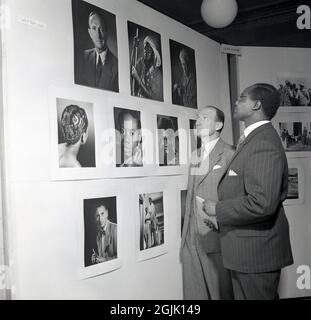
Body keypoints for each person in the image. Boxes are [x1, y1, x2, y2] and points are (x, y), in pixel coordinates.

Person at [204, 83, 293, 300]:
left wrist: (218, 209)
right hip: (248, 251)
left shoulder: (263, 142)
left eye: (242, 98)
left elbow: (262, 203)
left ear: (256, 105)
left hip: (256, 254)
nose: (236, 101)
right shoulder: (253, 139)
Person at [180, 106, 235, 300]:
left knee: (221, 292)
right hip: (191, 237)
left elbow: (235, 197)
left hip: (216, 236)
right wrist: (185, 233)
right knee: (194, 294)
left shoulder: (230, 154)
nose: (198, 121)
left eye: (205, 117)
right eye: (198, 118)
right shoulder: (195, 155)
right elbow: (191, 193)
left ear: (219, 124)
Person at [75, 11, 119, 92]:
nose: (98, 35)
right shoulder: (82, 57)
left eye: (101, 29)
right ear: (90, 32)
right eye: (94, 28)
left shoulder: (116, 65)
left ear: (106, 32)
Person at [131, 35, 163, 101]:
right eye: (145, 48)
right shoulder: (141, 63)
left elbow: (153, 96)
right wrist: (134, 48)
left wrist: (138, 79)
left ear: (153, 53)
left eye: (149, 49)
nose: (146, 51)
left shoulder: (157, 74)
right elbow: (132, 68)